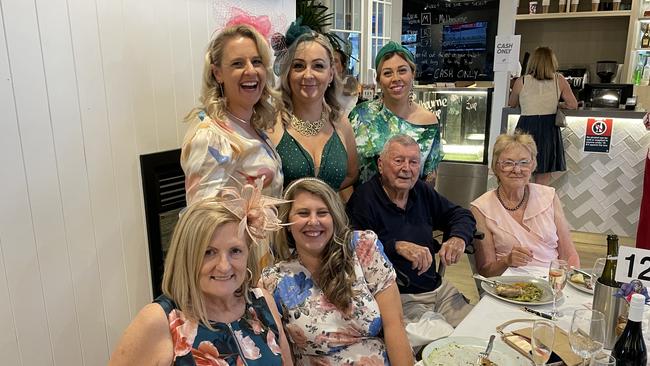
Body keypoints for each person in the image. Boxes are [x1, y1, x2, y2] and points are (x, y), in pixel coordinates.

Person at [109, 180, 293, 366]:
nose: (223, 266)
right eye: (208, 252)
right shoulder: (160, 320)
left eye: (235, 251)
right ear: (186, 257)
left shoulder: (262, 304)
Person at [260, 178, 413, 365]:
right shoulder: (274, 279)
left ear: (334, 218)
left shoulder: (363, 248)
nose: (313, 221)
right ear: (288, 223)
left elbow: (394, 324)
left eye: (323, 213)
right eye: (303, 213)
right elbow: (283, 352)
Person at [346, 134, 475, 328]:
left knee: (479, 329)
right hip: (399, 298)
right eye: (399, 161)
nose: (407, 168)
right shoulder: (364, 199)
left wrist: (458, 238)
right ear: (381, 165)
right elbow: (351, 246)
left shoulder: (421, 191)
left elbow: (461, 215)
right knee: (441, 344)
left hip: (437, 289)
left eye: (414, 162)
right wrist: (395, 246)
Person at [181, 24, 283, 205]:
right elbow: (202, 222)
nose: (251, 71)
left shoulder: (252, 126)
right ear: (217, 73)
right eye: (238, 63)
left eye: (257, 61)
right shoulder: (211, 137)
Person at [470, 132, 580, 277]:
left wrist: (571, 284)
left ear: (533, 164)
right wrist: (506, 261)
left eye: (524, 163)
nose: (517, 170)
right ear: (496, 167)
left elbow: (569, 255)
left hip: (552, 283)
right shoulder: (481, 208)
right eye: (508, 163)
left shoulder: (549, 196)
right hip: (507, 286)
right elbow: (485, 270)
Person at [268, 25, 358, 192]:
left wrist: (325, 200)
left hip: (332, 217)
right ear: (288, 73)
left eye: (318, 66)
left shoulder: (341, 123)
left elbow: (352, 174)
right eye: (299, 66)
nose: (308, 75)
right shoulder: (270, 124)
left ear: (331, 74)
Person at [350, 41, 443, 186]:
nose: (395, 78)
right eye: (387, 73)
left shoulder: (429, 123)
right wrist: (354, 208)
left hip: (411, 207)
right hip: (362, 206)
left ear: (413, 74)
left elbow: (429, 179)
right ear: (379, 80)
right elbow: (345, 175)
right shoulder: (361, 115)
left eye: (402, 71)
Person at [508, 46, 578, 186]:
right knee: (543, 177)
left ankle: (522, 205)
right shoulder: (559, 79)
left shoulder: (521, 81)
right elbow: (573, 104)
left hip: (525, 127)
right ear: (552, 62)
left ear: (532, 62)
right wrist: (558, 105)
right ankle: (539, 206)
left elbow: (512, 103)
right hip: (548, 128)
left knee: (522, 172)